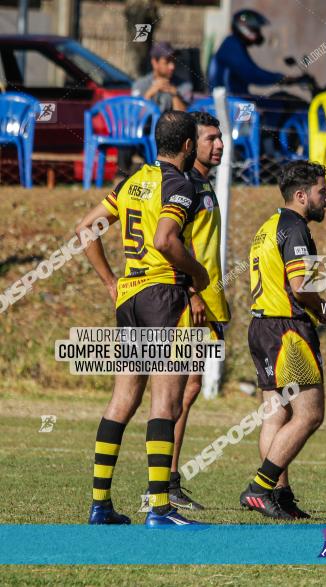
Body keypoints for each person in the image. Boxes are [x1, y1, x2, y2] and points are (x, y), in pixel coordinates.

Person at [76, 111, 208, 527]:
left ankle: (100, 505)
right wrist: (199, 275)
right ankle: (160, 509)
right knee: (165, 402)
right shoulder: (180, 183)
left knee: (122, 400)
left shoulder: (131, 182)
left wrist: (110, 281)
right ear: (188, 146)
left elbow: (85, 229)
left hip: (130, 296)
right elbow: (165, 239)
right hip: (164, 295)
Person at [238, 160, 326, 520]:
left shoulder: (268, 226)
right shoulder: (294, 227)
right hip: (287, 330)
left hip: (261, 327)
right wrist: (321, 308)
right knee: (310, 415)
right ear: (302, 195)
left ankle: (280, 495)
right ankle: (260, 488)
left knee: (276, 415)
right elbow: (300, 287)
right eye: (323, 192)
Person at [163, 111, 230, 511]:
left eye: (220, 138)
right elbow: (174, 245)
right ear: (191, 142)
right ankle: (165, 480)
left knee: (186, 392)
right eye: (209, 139)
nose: (218, 144)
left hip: (209, 303)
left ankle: (168, 478)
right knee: (179, 391)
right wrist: (193, 293)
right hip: (193, 303)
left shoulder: (204, 182)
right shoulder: (185, 184)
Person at [208, 9, 306, 94]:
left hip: (236, 100)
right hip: (231, 105)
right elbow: (253, 74)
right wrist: (281, 79)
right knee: (280, 108)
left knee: (280, 100)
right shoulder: (231, 44)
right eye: (256, 30)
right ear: (246, 29)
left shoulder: (234, 44)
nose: (259, 34)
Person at [132, 42, 193, 113]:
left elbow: (184, 120)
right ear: (154, 62)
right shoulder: (140, 85)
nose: (172, 66)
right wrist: (150, 93)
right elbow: (135, 116)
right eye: (167, 62)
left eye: (173, 61)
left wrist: (175, 94)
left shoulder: (184, 85)